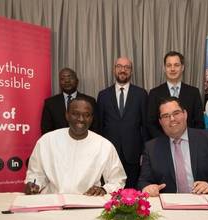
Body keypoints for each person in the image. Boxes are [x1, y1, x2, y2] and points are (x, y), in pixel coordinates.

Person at [25, 96, 126, 196]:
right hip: (52, 201)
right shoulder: (47, 141)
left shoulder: (104, 145)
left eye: (86, 115)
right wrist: (33, 184)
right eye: (75, 114)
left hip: (88, 202)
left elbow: (117, 179)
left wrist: (104, 189)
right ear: (67, 115)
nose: (81, 119)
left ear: (91, 118)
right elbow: (36, 174)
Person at [137, 97, 208, 196]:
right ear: (160, 122)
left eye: (176, 113)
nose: (172, 119)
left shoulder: (207, 139)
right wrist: (148, 188)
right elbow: (143, 181)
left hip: (204, 201)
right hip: (169, 206)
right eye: (166, 116)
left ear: (185, 114)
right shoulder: (151, 147)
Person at [97, 57, 148, 188]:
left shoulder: (141, 94)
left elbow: (145, 126)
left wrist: (144, 152)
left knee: (132, 193)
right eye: (119, 66)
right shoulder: (103, 95)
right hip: (109, 154)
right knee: (110, 193)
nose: (123, 70)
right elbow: (99, 126)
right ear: (114, 69)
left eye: (127, 67)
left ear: (131, 71)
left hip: (133, 155)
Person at [147, 51, 205, 138]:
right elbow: (151, 124)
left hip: (190, 145)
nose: (172, 69)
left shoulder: (194, 92)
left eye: (176, 65)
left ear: (182, 68)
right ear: (164, 68)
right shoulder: (154, 93)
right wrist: (167, 142)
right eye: (169, 65)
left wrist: (189, 140)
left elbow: (199, 123)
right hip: (164, 146)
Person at [40, 67, 97, 135]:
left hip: (84, 141)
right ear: (59, 82)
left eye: (70, 77)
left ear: (77, 81)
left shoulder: (90, 101)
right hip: (58, 143)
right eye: (62, 78)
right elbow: (46, 130)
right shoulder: (50, 103)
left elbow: (95, 127)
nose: (67, 81)